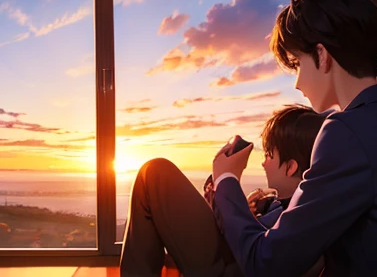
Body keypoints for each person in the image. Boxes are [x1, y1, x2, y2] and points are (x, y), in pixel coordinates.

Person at [211, 0, 377, 276]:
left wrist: (225, 178)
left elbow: (267, 263)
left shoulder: (345, 131)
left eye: (297, 63)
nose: (297, 82)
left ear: (321, 55)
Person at [120, 104, 327, 277]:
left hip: (226, 268)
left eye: (268, 156)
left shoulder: (301, 216)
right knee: (151, 176)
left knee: (156, 173)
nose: (263, 164)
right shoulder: (276, 204)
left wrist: (228, 179)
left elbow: (262, 252)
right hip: (225, 258)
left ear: (290, 167)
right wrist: (222, 204)